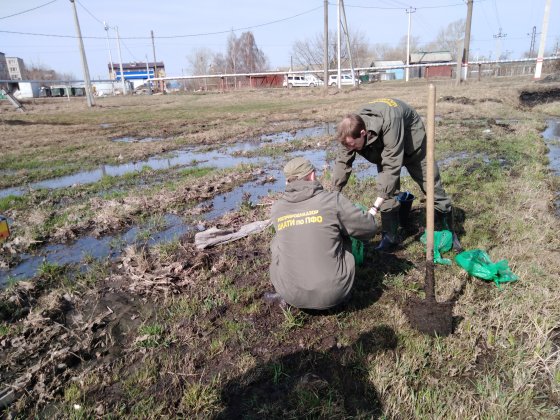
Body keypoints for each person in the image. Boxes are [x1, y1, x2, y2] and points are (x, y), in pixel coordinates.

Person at [333, 98, 462, 252]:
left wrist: (374, 207)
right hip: (384, 149)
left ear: (362, 133)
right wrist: (332, 195)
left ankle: (448, 233)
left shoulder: (389, 120)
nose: (351, 149)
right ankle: (390, 238)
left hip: (413, 147)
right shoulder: (349, 133)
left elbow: (391, 165)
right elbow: (342, 163)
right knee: (388, 192)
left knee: (432, 187)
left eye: (353, 145)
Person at [269, 157, 378, 310]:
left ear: (287, 182)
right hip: (335, 293)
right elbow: (369, 228)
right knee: (339, 232)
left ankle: (290, 290)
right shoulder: (332, 201)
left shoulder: (277, 208)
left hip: (291, 295)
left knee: (276, 242)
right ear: (312, 175)